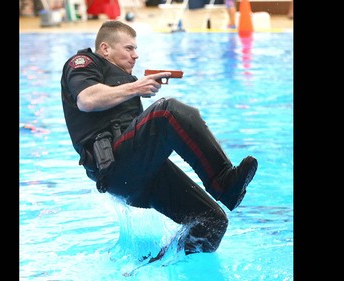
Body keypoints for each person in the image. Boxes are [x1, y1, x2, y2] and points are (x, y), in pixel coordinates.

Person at [60, 20, 258, 257]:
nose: (136, 55)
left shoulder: (125, 80)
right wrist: (136, 88)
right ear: (105, 49)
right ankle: (224, 182)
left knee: (212, 222)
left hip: (140, 170)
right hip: (113, 167)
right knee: (167, 111)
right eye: (129, 48)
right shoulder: (83, 63)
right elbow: (87, 100)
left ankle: (157, 264)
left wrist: (135, 86)